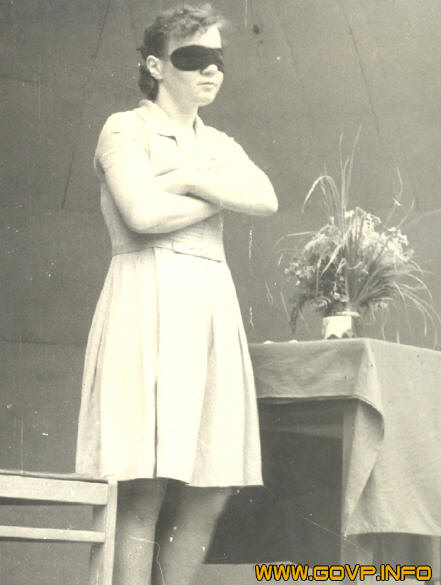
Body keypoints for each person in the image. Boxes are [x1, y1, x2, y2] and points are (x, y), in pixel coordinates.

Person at [75, 4, 278, 584]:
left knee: (211, 486)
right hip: (147, 301)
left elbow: (265, 198)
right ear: (155, 65)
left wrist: (186, 180)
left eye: (218, 59)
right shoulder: (125, 129)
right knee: (144, 484)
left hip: (210, 306)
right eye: (193, 57)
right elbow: (141, 215)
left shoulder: (218, 142)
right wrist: (216, 194)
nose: (210, 70)